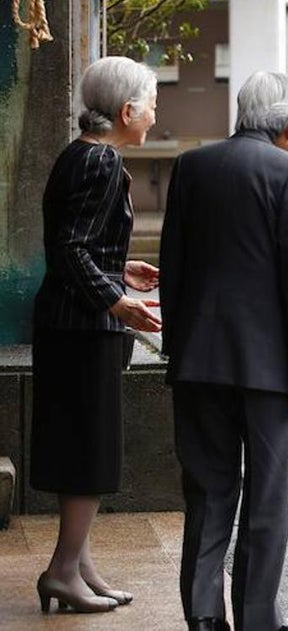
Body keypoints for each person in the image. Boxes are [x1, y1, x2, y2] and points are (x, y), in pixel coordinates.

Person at [161, 72, 288, 631]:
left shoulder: (192, 166)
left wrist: (175, 350)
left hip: (198, 360)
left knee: (207, 492)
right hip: (268, 366)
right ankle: (258, 619)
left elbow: (174, 267)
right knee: (266, 497)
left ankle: (204, 618)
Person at [31, 56, 162, 614]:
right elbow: (69, 249)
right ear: (127, 111)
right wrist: (116, 299)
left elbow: (77, 243)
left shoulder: (80, 155)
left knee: (83, 448)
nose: (155, 116)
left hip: (70, 323)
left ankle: (80, 567)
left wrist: (120, 268)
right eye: (151, 104)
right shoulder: (102, 161)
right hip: (84, 328)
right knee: (89, 451)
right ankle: (63, 571)